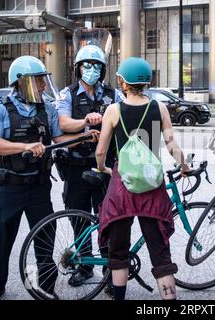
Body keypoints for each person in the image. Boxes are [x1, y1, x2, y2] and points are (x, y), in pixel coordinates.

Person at [0, 56, 98, 300]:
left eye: (44, 81)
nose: (43, 86)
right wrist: (23, 147)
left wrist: (83, 138)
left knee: (45, 239)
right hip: (9, 187)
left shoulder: (48, 107)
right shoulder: (0, 107)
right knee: (1, 240)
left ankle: (46, 287)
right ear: (20, 83)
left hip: (39, 186)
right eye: (38, 82)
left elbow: (58, 139)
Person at [95, 57, 190, 300]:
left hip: (121, 186)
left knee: (118, 251)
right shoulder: (159, 107)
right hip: (151, 184)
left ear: (123, 82)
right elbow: (171, 145)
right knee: (160, 252)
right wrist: (183, 164)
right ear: (147, 82)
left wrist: (104, 168)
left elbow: (100, 151)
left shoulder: (113, 110)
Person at [56, 44, 123, 287]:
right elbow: (63, 122)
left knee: (108, 218)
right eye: (87, 65)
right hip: (76, 167)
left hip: (105, 167)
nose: (91, 70)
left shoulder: (114, 95)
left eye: (96, 66)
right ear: (78, 68)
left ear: (103, 70)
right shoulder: (67, 94)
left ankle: (109, 269)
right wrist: (85, 122)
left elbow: (125, 117)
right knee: (79, 218)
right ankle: (84, 267)